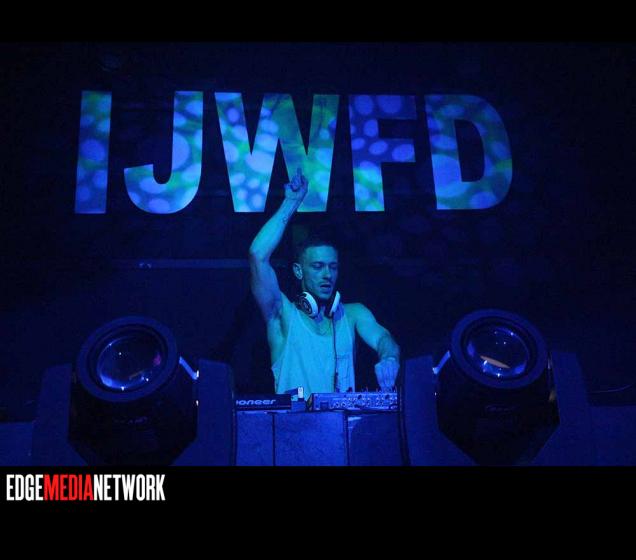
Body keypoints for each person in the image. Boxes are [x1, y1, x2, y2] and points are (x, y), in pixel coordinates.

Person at [248, 168, 400, 396]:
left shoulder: (353, 314)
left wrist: (389, 358)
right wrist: (291, 202)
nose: (327, 274)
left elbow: (384, 339)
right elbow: (257, 255)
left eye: (333, 267)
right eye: (318, 267)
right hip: (293, 420)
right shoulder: (282, 314)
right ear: (298, 271)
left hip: (343, 420)